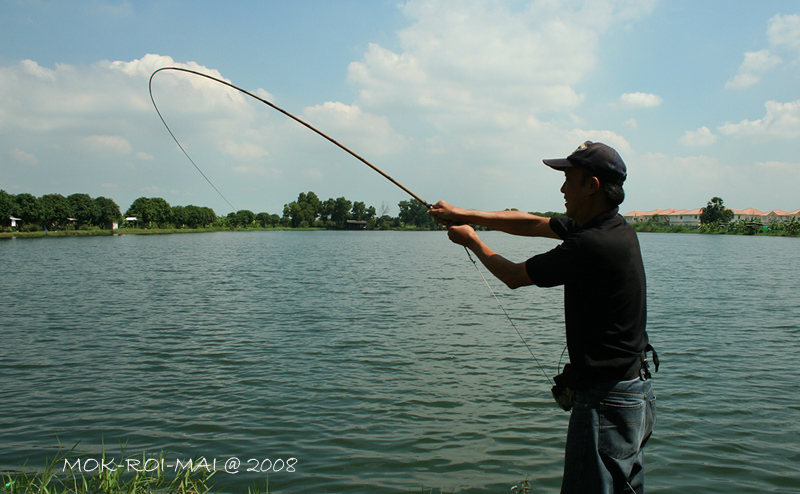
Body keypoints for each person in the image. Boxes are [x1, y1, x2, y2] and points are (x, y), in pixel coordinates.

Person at [427, 141, 657, 494]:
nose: (562, 189)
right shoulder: (613, 228)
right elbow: (532, 224)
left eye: (569, 180)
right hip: (633, 392)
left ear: (592, 186)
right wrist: (465, 214)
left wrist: (472, 240)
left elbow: (515, 276)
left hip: (605, 401)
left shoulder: (591, 243)